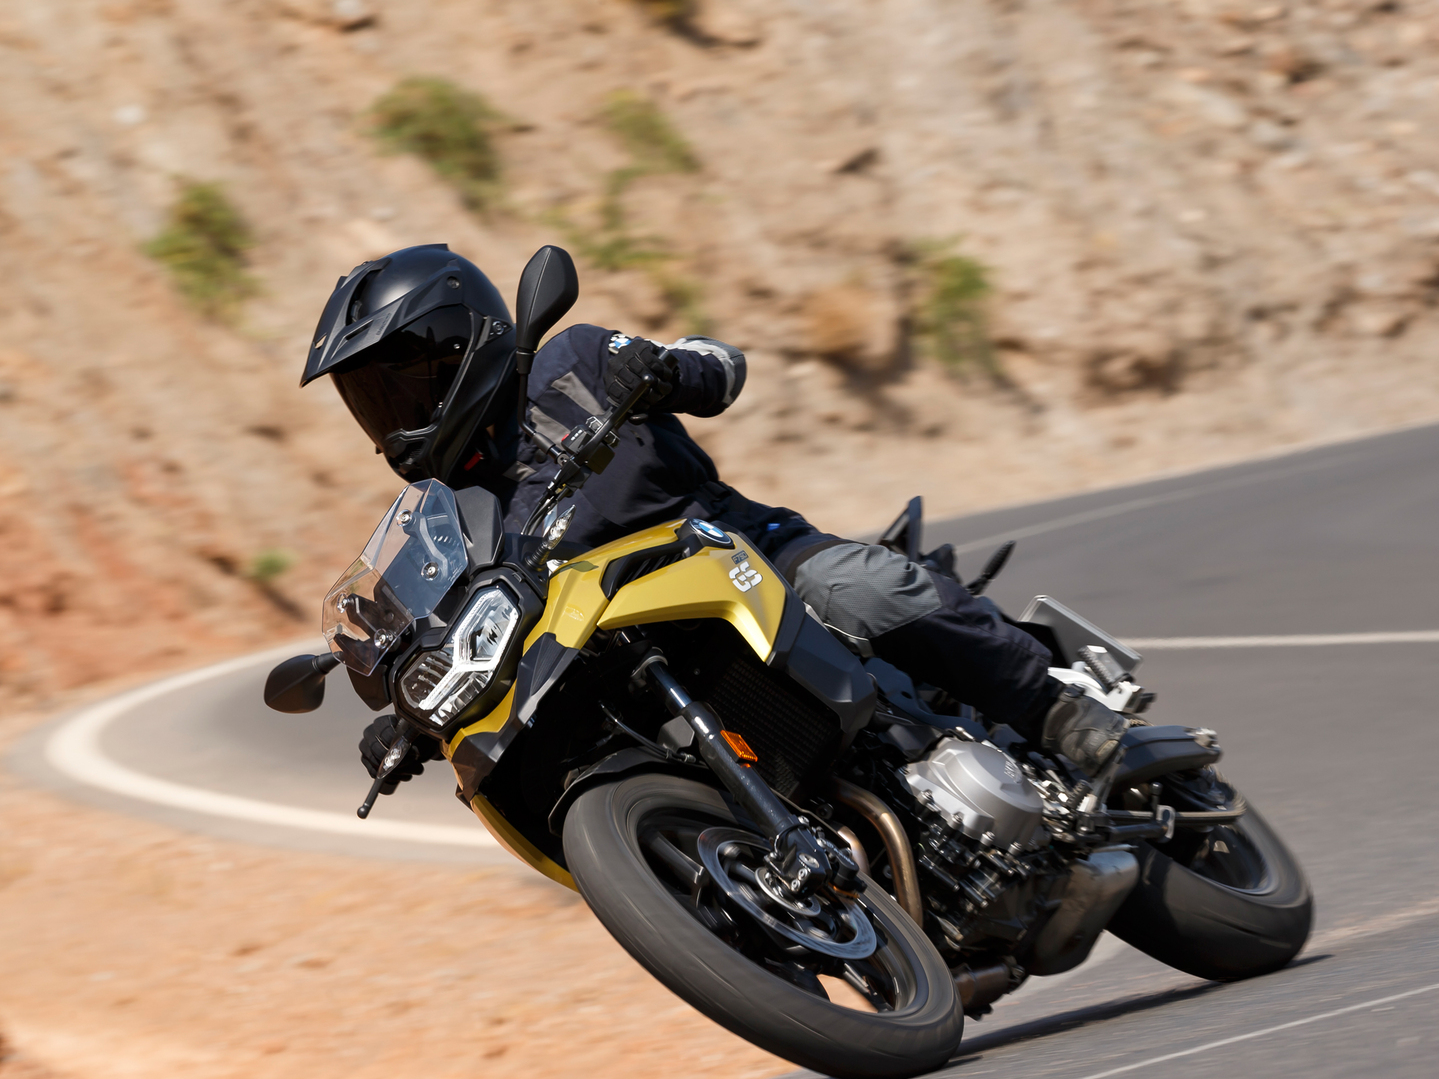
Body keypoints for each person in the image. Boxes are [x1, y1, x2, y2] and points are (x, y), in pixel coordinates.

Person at [301, 244, 1128, 785]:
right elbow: (466, 640)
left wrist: (666, 369)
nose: (388, 414)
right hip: (641, 663)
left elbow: (720, 368)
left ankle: (1055, 708)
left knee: (863, 587)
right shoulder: (450, 522)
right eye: (367, 397)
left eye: (397, 382)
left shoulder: (573, 364)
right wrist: (413, 724)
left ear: (462, 344)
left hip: (754, 563)